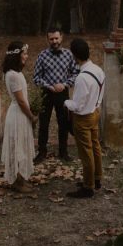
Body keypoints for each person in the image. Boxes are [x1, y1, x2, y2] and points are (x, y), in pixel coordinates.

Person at [64, 38, 105, 198]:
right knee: (95, 147)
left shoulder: (81, 78)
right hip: (95, 112)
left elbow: (78, 105)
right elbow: (100, 94)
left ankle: (88, 187)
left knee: (86, 152)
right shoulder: (98, 70)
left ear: (75, 56)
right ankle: (97, 178)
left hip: (82, 118)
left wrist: (66, 102)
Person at [32, 28, 79, 163]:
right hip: (46, 93)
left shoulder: (69, 55)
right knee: (44, 124)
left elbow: (76, 73)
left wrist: (64, 84)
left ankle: (63, 152)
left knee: (63, 123)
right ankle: (41, 152)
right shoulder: (42, 56)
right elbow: (36, 78)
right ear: (48, 39)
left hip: (63, 93)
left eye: (56, 38)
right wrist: (49, 86)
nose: (54, 41)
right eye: (51, 39)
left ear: (61, 38)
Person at [1, 41, 38, 193]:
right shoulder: (13, 75)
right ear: (16, 55)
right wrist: (32, 116)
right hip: (18, 114)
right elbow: (21, 101)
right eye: (24, 53)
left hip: (20, 113)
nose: (26, 56)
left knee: (21, 145)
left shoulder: (15, 73)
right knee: (17, 147)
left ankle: (21, 178)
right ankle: (17, 182)